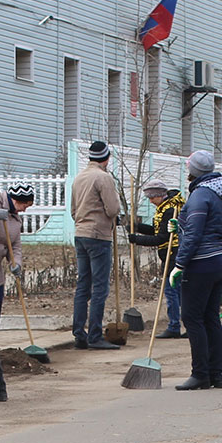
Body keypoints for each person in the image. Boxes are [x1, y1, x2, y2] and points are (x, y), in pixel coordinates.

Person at [173, 151, 222, 390]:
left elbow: (195, 234)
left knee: (192, 317)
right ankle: (215, 374)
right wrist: (179, 224)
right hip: (219, 260)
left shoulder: (200, 195)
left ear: (194, 171)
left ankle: (200, 374)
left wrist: (180, 264)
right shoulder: (220, 193)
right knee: (210, 317)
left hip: (201, 263)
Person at [0, 182, 36, 399]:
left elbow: (16, 245)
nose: (25, 209)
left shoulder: (15, 218)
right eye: (24, 204)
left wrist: (16, 263)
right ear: (15, 199)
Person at [71, 140, 123, 349]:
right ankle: (95, 336)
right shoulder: (103, 178)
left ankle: (79, 334)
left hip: (80, 233)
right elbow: (112, 209)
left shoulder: (79, 177)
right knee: (100, 286)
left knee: (83, 285)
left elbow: (73, 211)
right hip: (99, 235)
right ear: (106, 158)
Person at [128, 178, 185, 342]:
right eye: (149, 198)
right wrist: (137, 227)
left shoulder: (170, 210)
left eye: (152, 197)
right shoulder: (162, 208)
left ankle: (174, 326)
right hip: (170, 253)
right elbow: (156, 231)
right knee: (179, 291)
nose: (151, 201)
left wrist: (137, 240)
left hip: (174, 253)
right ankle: (188, 324)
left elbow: (162, 238)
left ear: (160, 195)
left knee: (171, 290)